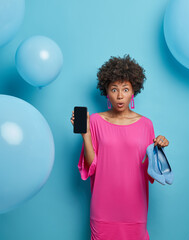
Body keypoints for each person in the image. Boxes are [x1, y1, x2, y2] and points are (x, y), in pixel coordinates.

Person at [70, 55, 169, 240]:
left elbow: (150, 171)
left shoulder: (146, 124)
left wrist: (158, 148)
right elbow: (92, 167)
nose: (120, 95)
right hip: (103, 207)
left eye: (125, 89)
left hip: (135, 207)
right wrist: (86, 135)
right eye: (114, 89)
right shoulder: (96, 122)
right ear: (106, 91)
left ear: (133, 91)